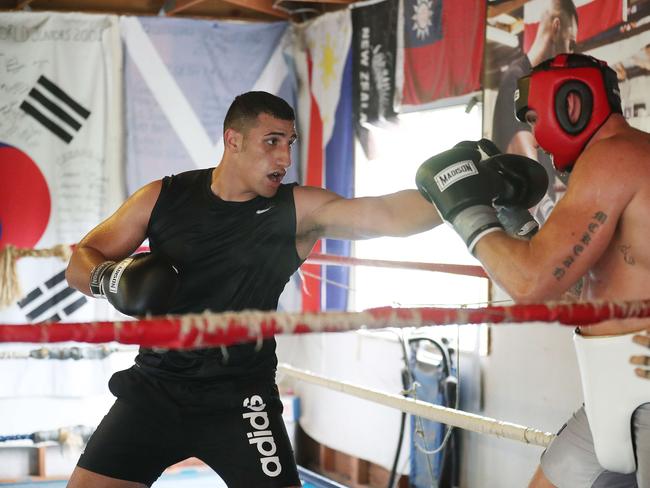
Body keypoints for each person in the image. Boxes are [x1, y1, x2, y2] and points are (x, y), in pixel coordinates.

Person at [63, 91, 444, 488]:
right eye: (272, 141)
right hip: (156, 390)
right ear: (234, 140)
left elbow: (385, 215)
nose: (285, 158)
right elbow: (80, 262)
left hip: (242, 398)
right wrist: (110, 280)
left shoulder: (295, 210)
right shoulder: (163, 196)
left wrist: (457, 196)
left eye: (290, 143)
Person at [417, 53, 650, 487]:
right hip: (611, 389)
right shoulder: (620, 162)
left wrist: (465, 209)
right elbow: (574, 285)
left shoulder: (613, 158)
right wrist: (513, 218)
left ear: (572, 104)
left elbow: (531, 282)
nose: (536, 139)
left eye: (534, 118)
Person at [491, 0, 577, 224]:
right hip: (525, 226)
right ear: (556, 27)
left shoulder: (542, 85)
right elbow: (526, 163)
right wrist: (551, 222)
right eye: (570, 43)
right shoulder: (517, 80)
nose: (570, 53)